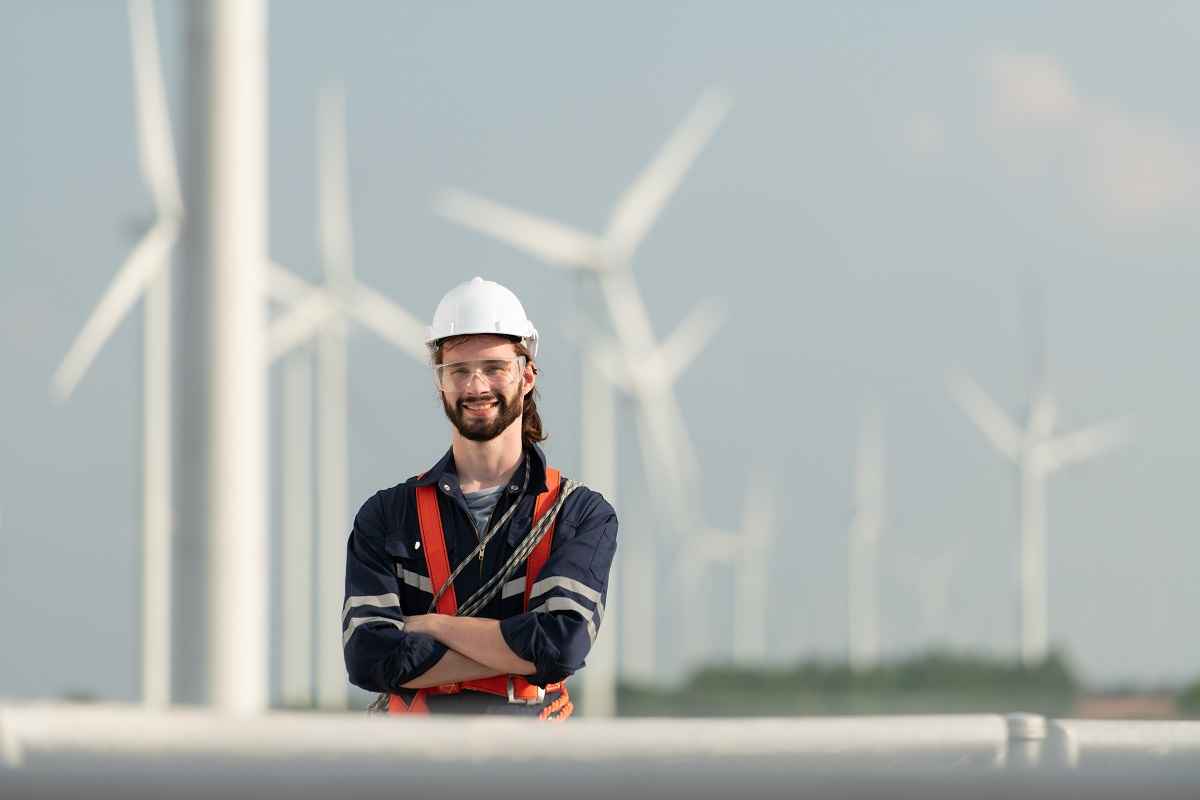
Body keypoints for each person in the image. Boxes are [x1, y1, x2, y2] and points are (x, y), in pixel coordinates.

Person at [342, 276, 618, 718]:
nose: (476, 386)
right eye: (459, 371)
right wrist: (517, 655)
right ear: (440, 383)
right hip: (412, 765)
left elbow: (560, 646)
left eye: (494, 367)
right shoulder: (387, 515)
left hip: (532, 762)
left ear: (527, 375)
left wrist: (434, 626)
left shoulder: (579, 514)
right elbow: (369, 657)